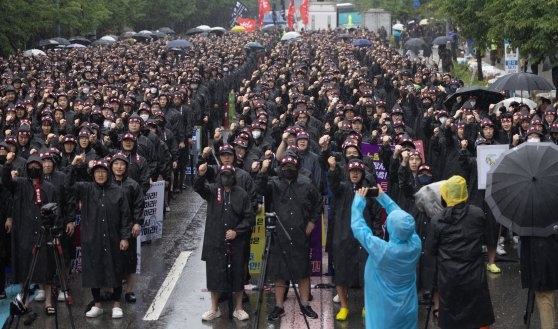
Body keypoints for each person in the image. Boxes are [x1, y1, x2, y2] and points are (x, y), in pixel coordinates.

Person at [255, 156, 322, 321]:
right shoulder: (274, 184)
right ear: (280, 167)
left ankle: (305, 304)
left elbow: (318, 203)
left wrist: (312, 223)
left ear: (297, 166)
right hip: (280, 234)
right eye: (284, 165)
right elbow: (260, 189)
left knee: (303, 271)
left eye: (291, 165)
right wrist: (263, 170)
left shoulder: (307, 183)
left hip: (300, 234)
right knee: (279, 272)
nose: (288, 168)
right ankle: (279, 306)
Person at [426, 175, 495, 329]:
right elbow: (489, 238)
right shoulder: (477, 214)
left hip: (449, 277)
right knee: (477, 314)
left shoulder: (437, 220)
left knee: (452, 316)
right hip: (474, 275)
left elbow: (430, 250)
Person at [69, 155, 132, 319]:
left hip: (114, 237)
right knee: (94, 270)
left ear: (108, 172)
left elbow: (126, 216)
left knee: (116, 269)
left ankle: (116, 304)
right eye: (97, 171)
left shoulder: (118, 191)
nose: (100, 174)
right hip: (93, 238)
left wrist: (125, 237)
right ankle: (97, 304)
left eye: (103, 171)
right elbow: (67, 185)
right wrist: (75, 166)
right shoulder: (86, 189)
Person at [351, 185, 421, 329]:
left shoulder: (382, 250)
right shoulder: (415, 244)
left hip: (383, 313)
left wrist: (358, 201)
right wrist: (382, 197)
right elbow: (403, 221)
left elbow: (359, 228)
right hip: (408, 310)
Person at [194, 163, 254, 321]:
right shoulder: (213, 190)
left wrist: (237, 231)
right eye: (223, 174)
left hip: (236, 242)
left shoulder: (242, 194)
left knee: (238, 275)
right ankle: (214, 308)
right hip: (215, 241)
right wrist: (200, 174)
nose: (226, 177)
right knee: (214, 274)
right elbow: (198, 188)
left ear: (234, 176)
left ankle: (238, 308)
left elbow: (249, 218)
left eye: (229, 174)